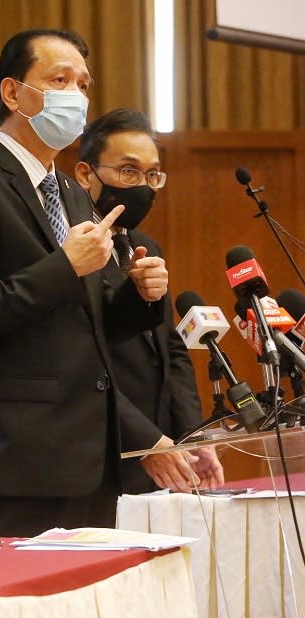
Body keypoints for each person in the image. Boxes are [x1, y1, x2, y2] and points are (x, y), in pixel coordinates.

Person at [0, 28, 204, 538]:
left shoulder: (72, 197)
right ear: (13, 93)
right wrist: (64, 266)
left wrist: (140, 298)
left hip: (88, 461)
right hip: (13, 467)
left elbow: (88, 324)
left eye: (83, 84)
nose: (76, 96)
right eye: (59, 80)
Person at [74, 109, 224, 494]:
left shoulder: (145, 245)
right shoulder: (74, 250)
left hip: (161, 454)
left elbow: (170, 348)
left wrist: (193, 435)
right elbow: (78, 358)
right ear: (85, 175)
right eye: (128, 171)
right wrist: (142, 439)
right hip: (103, 451)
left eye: (151, 174)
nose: (142, 185)